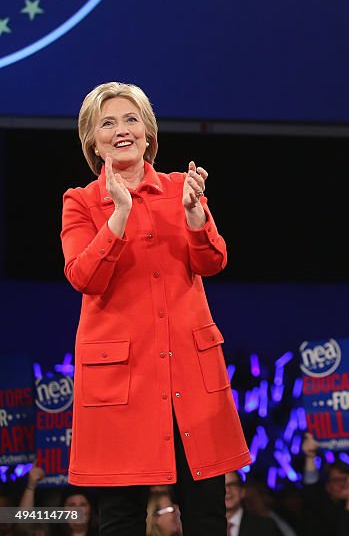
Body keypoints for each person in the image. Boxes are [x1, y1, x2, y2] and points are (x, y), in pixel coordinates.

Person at [60, 82, 250, 535]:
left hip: (190, 375)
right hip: (122, 384)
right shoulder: (81, 202)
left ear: (149, 133)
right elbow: (84, 278)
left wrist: (195, 217)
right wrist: (119, 216)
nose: (121, 130)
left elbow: (213, 261)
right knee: (121, 517)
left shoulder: (182, 189)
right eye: (108, 122)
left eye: (131, 119)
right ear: (92, 139)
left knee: (205, 514)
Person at [225, 471, 283, 536]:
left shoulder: (265, 527)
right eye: (222, 486)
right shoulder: (211, 526)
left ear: (242, 491)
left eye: (232, 485)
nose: (227, 491)